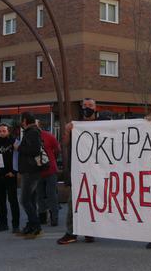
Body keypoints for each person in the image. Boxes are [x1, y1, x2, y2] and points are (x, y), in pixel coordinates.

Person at [58, 98, 98, 245]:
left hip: (97, 171)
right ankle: (71, 232)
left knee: (94, 201)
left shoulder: (103, 123)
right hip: (79, 170)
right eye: (85, 105)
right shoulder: (76, 125)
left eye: (90, 105)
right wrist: (68, 131)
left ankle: (90, 231)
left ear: (95, 107)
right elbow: (66, 144)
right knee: (74, 201)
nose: (87, 108)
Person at [17, 112, 43, 238]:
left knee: (25, 200)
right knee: (31, 200)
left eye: (21, 120)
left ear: (25, 121)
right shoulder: (33, 131)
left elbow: (35, 150)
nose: (21, 123)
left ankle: (35, 225)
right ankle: (32, 224)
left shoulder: (32, 132)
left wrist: (19, 148)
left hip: (30, 171)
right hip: (31, 170)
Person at [0, 123, 20, 233]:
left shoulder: (14, 142)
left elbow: (19, 158)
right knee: (1, 201)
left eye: (4, 131)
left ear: (8, 132)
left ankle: (15, 225)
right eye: (0, 131)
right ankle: (3, 224)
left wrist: (14, 171)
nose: (2, 133)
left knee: (13, 201)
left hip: (10, 175)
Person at [37, 121, 61, 227]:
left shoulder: (49, 136)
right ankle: (42, 216)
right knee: (40, 195)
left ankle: (54, 217)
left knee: (52, 195)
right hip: (37, 172)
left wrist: (51, 160)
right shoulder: (28, 138)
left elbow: (57, 150)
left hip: (50, 170)